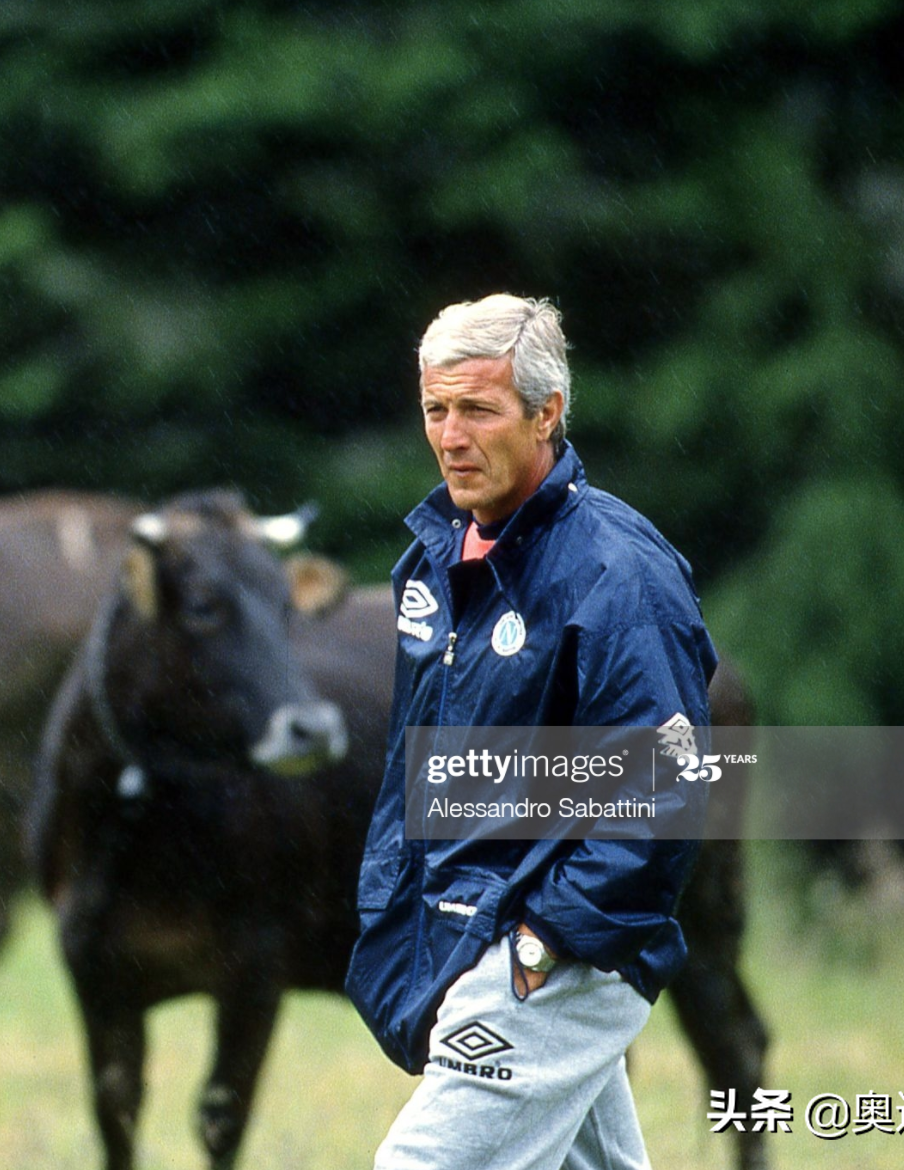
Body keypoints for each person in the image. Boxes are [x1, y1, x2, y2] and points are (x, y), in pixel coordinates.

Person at [347, 294, 718, 1169]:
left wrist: (546, 938)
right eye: (436, 410)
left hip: (553, 950)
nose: (450, 435)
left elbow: (670, 781)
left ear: (547, 412)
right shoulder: (434, 558)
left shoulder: (618, 572)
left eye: (478, 409)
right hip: (474, 927)